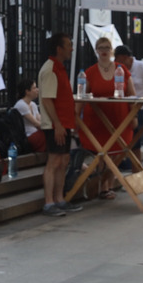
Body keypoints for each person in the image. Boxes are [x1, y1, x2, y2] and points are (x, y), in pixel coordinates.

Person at [80, 37, 137, 199]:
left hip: (120, 118)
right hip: (98, 120)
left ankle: (107, 184)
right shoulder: (89, 72)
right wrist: (75, 119)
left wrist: (134, 117)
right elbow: (82, 96)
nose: (104, 50)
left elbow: (132, 94)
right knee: (102, 153)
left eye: (107, 47)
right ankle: (101, 185)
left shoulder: (122, 70)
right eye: (100, 47)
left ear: (111, 51)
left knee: (116, 153)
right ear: (96, 50)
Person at [37, 32, 84, 216]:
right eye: (68, 45)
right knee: (54, 161)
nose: (71, 48)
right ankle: (49, 202)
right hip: (54, 125)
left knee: (63, 160)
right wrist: (57, 124)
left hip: (63, 123)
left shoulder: (59, 68)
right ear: (59, 48)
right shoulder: (50, 69)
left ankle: (59, 199)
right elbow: (48, 99)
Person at [114, 44, 143, 171]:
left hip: (142, 108)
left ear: (125, 57)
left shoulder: (140, 66)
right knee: (133, 141)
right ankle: (136, 167)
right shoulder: (119, 69)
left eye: (119, 60)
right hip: (128, 108)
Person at [13, 77, 46, 153]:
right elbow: (36, 123)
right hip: (29, 136)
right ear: (27, 91)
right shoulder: (21, 105)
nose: (37, 90)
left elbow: (40, 119)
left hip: (36, 133)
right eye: (34, 88)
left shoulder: (33, 104)